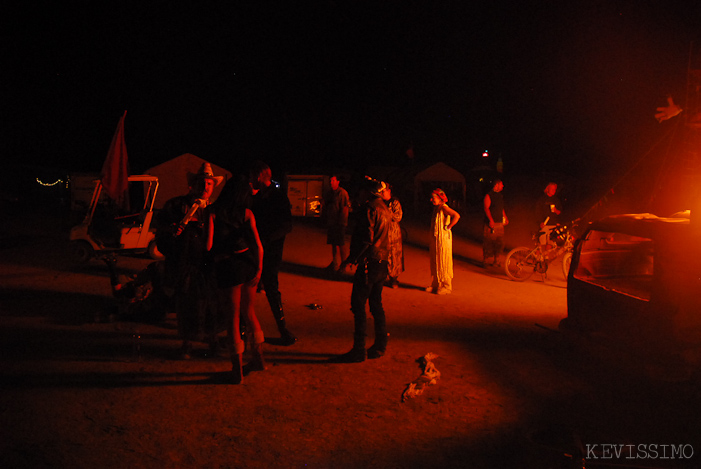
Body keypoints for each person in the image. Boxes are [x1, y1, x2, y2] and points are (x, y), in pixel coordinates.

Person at [155, 162, 224, 359]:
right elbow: (162, 234)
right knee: (187, 305)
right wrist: (172, 232)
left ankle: (213, 341)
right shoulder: (176, 206)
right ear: (192, 185)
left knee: (212, 304)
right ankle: (187, 344)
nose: (205, 187)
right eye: (202, 183)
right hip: (185, 265)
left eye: (209, 184)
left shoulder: (217, 209)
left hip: (209, 266)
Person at [207, 174, 266, 384]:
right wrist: (259, 271)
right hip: (248, 265)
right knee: (249, 313)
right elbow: (258, 245)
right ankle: (258, 359)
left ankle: (237, 370)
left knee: (232, 318)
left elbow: (208, 246)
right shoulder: (247, 213)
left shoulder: (213, 212)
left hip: (228, 267)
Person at [331, 179, 392, 363]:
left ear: (368, 192)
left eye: (361, 191)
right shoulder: (384, 208)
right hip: (382, 261)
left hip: (369, 262)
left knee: (358, 304)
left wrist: (351, 260)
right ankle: (380, 345)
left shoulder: (370, 209)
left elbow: (367, 239)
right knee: (376, 304)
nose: (359, 195)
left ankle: (359, 350)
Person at [248, 161, 297, 346]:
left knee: (271, 288)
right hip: (257, 249)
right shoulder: (258, 197)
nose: (251, 179)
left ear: (260, 176)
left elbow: (287, 225)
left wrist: (265, 240)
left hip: (271, 252)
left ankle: (283, 329)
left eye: (253, 175)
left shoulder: (278, 197)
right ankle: (246, 329)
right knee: (250, 288)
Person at [427, 188, 460, 295]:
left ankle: (446, 285)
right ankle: (436, 283)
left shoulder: (444, 208)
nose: (431, 200)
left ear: (440, 198)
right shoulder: (437, 208)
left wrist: (449, 226)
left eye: (433, 198)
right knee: (436, 260)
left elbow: (456, 215)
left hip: (443, 239)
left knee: (443, 260)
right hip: (437, 239)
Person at [322, 174, 351, 274]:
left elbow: (344, 209)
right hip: (332, 222)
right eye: (330, 180)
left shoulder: (342, 193)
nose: (331, 182)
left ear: (338, 182)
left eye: (333, 180)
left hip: (339, 223)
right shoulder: (330, 193)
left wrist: (341, 223)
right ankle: (334, 263)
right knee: (334, 244)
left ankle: (343, 265)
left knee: (341, 244)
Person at [381, 183, 404, 288]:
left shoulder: (394, 202)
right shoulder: (380, 202)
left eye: (384, 191)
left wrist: (386, 213)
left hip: (393, 233)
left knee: (394, 255)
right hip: (383, 232)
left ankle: (393, 278)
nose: (382, 193)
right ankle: (382, 276)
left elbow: (398, 216)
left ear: (389, 191)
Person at [482, 179, 508, 267]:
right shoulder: (489, 195)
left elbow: (501, 208)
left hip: (499, 223)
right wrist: (491, 220)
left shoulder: (500, 196)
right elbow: (486, 208)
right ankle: (485, 260)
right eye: (501, 184)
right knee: (488, 242)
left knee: (499, 242)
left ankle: (496, 260)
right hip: (491, 223)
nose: (503, 186)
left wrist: (505, 216)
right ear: (496, 185)